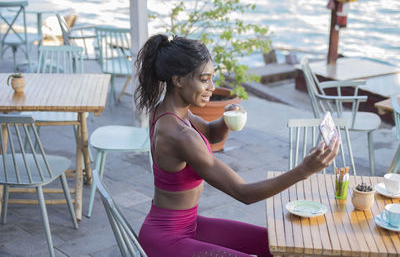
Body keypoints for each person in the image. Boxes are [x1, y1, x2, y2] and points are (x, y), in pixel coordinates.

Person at [134, 34, 340, 257]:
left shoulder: (172, 113)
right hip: (167, 240)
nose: (212, 87)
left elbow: (212, 134)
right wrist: (304, 170)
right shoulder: (180, 135)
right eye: (204, 79)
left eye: (212, 78)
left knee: (275, 246)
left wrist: (226, 120)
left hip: (187, 224)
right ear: (178, 79)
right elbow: (244, 193)